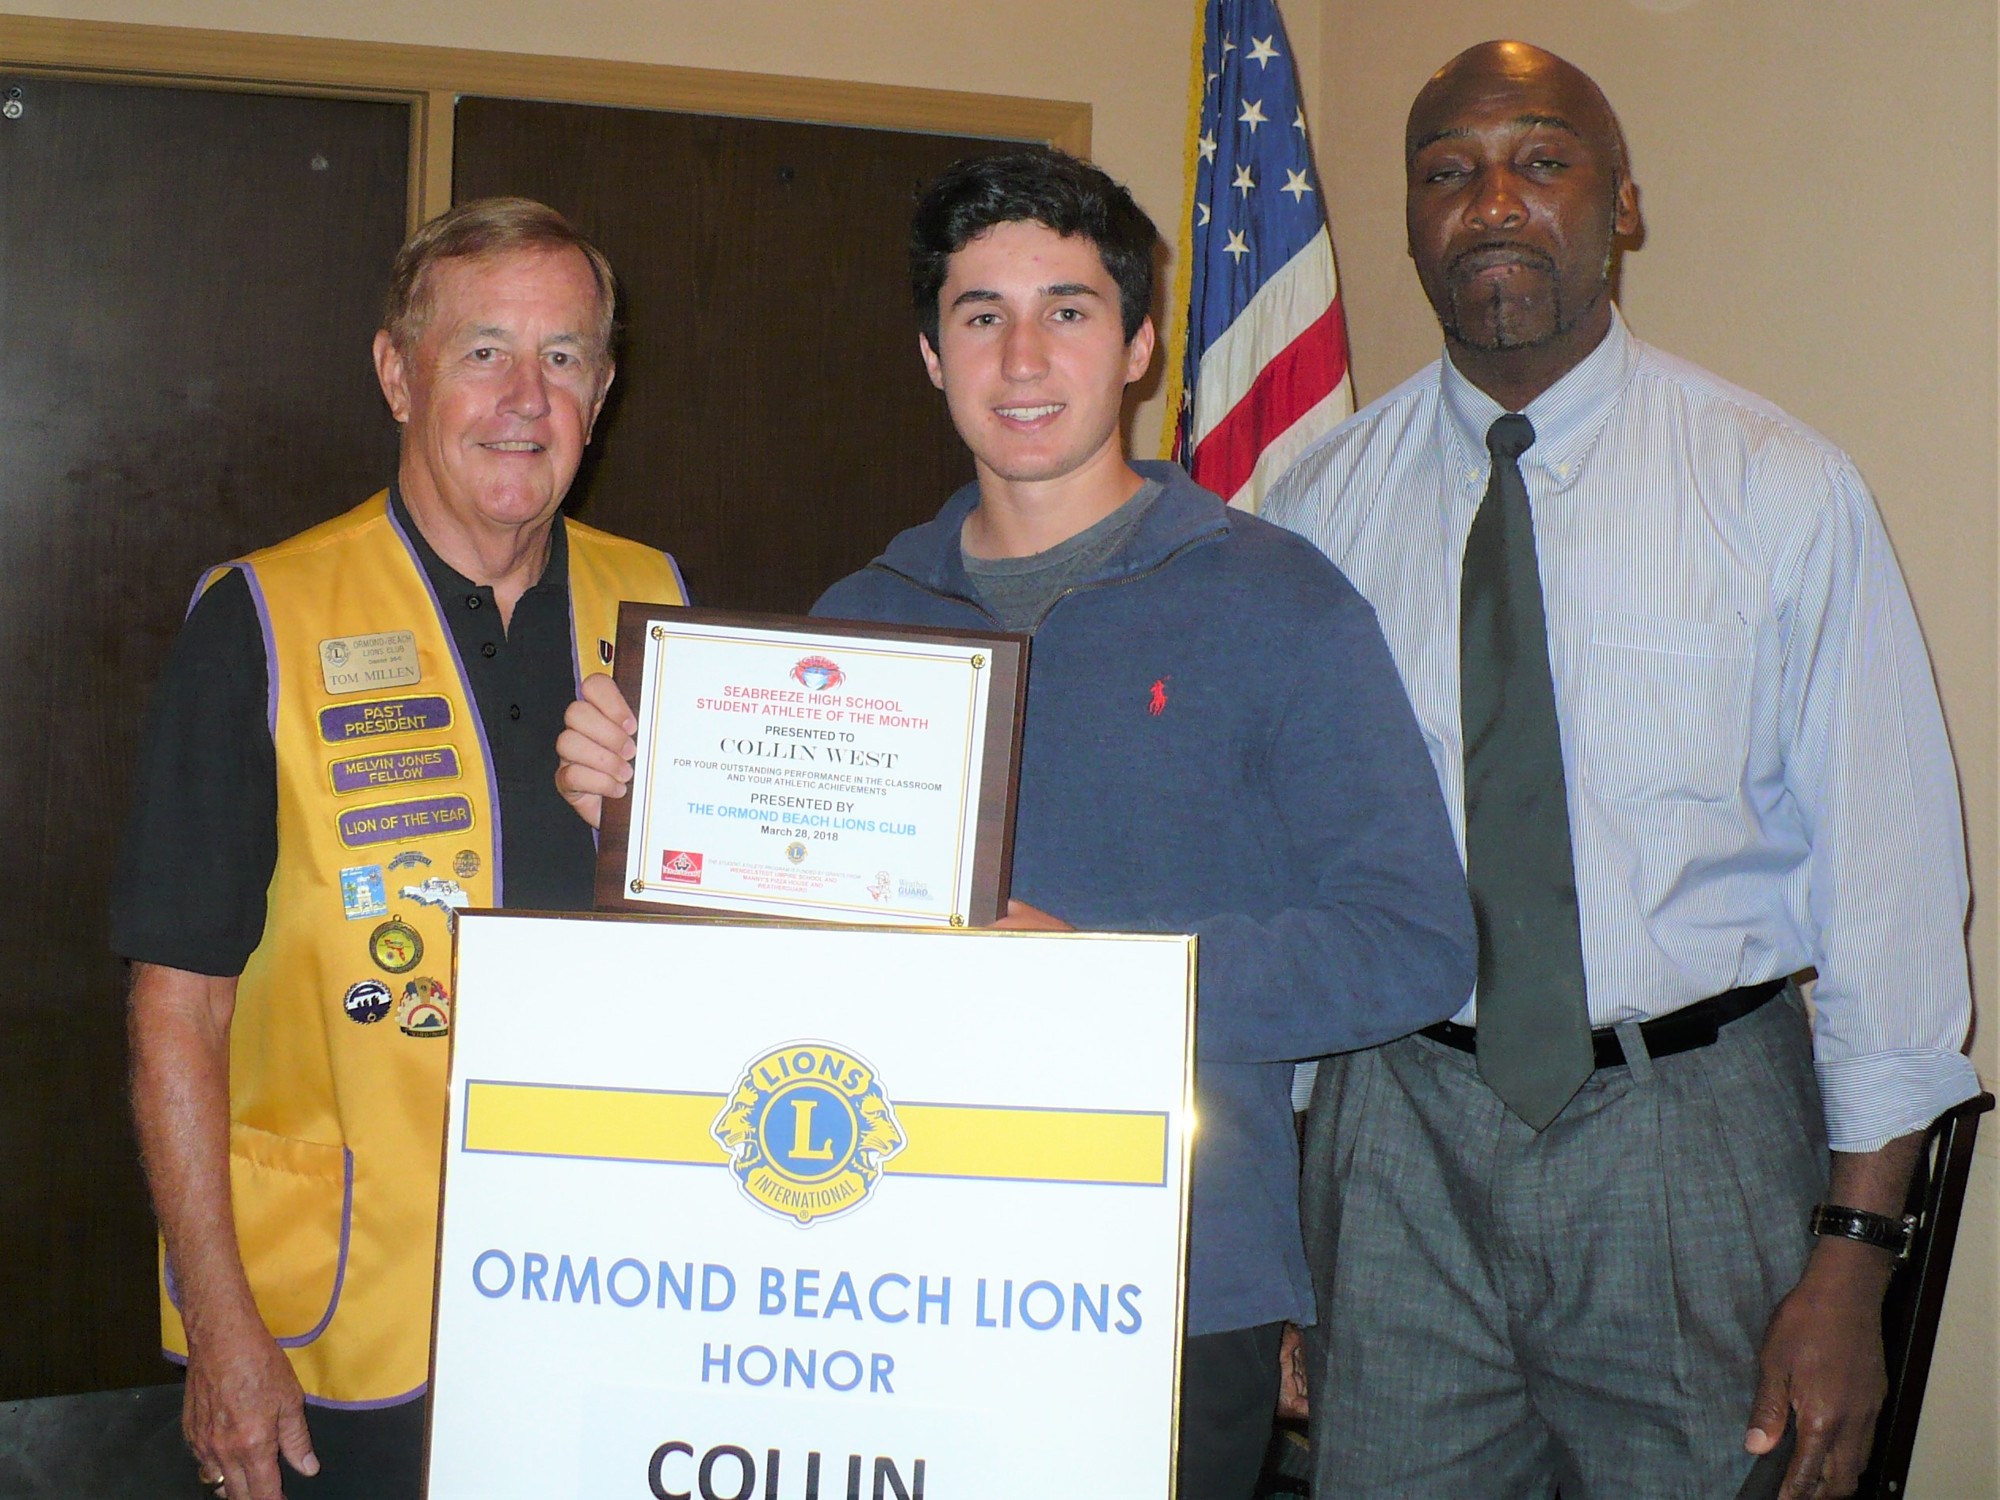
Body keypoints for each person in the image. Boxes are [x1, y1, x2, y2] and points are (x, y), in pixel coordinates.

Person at [555, 147, 1475, 1497]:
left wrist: (1108, 984)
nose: (1024, 354)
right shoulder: (861, 618)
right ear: (932, 356)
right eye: (981, 315)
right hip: (883, 1262)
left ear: (1141, 344)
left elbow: (1411, 945)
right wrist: (631, 812)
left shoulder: (1279, 602)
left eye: (1071, 308)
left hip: (1166, 1276)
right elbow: (767, 956)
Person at [1262, 41, 1980, 1500]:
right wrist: (1276, 1224)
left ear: (1623, 207)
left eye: (1542, 159)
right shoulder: (1315, 508)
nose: (1493, 203)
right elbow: (1282, 867)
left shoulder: (1777, 488)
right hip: (1389, 1135)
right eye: (1448, 172)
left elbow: (1892, 901)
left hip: (1691, 1138)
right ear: (1409, 221)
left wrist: (1854, 1265)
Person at [113, 198, 686, 1500]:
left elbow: (716, 946)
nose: (524, 399)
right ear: (397, 372)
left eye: (565, 357)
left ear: (603, 388)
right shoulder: (261, 617)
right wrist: (219, 1325)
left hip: (607, 1300)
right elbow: (176, 1011)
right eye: (483, 350)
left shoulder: (663, 610)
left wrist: (655, 841)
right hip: (344, 1327)